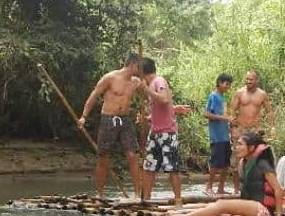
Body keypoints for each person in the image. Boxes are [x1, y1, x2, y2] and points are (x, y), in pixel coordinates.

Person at [170, 133, 282, 216]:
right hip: (250, 207)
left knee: (221, 204)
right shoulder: (244, 164)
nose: (236, 147)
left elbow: (278, 190)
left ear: (251, 147)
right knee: (212, 207)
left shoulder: (263, 164)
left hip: (262, 209)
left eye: (240, 144)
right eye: (236, 144)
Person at [77, 53, 145, 198]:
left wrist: (144, 114)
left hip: (125, 120)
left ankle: (137, 194)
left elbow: (146, 97)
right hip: (108, 118)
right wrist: (84, 116)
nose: (141, 70)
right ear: (132, 65)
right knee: (104, 157)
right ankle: (100, 194)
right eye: (139, 66)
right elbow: (94, 95)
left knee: (133, 155)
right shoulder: (110, 77)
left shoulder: (136, 81)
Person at [140, 58, 192, 204]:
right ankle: (146, 199)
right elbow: (164, 107)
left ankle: (178, 199)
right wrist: (149, 117)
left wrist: (147, 90)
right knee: (149, 166)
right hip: (155, 132)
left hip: (167, 133)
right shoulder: (152, 84)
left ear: (143, 72)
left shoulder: (159, 81)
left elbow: (163, 99)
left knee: (171, 167)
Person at [204, 73, 234, 195]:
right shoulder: (213, 96)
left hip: (225, 135)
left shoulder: (223, 98)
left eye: (229, 85)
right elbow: (206, 114)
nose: (228, 87)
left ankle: (221, 188)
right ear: (220, 83)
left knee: (226, 163)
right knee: (216, 163)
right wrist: (224, 119)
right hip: (217, 136)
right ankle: (208, 187)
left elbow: (224, 116)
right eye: (226, 84)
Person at [228, 70, 275, 139]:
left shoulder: (262, 94)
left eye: (251, 79)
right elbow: (232, 111)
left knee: (256, 149)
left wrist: (272, 128)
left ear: (256, 80)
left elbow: (269, 112)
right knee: (240, 149)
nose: (248, 81)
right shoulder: (239, 93)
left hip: (255, 129)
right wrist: (233, 128)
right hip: (241, 128)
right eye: (247, 79)